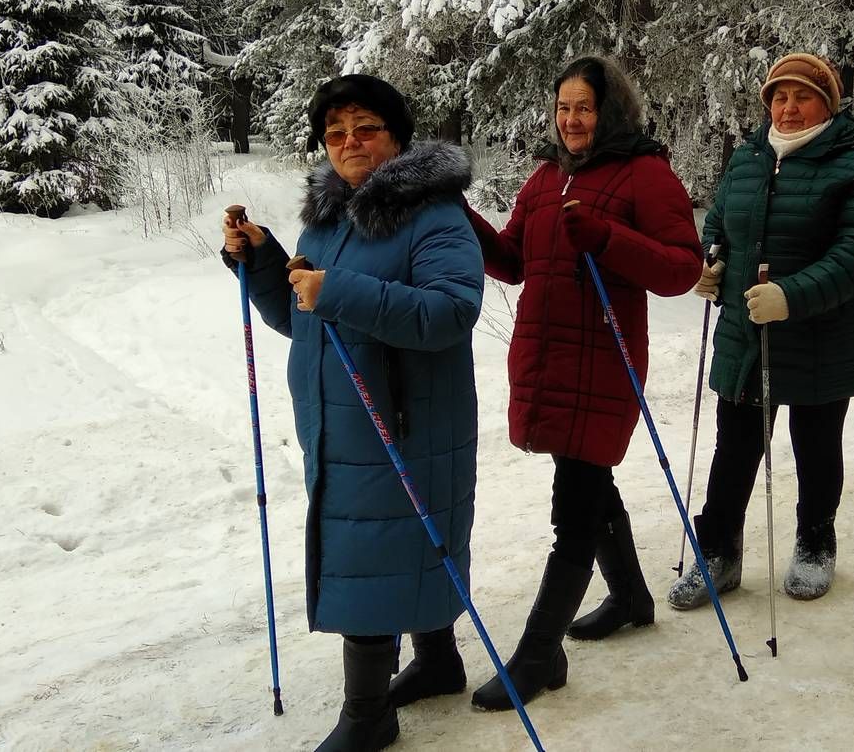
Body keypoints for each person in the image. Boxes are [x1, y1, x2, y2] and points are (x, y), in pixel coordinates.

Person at [220, 75, 482, 752]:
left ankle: (369, 717)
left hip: (405, 421)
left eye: (365, 128)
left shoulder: (435, 214)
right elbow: (304, 318)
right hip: (341, 423)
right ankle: (438, 659)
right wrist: (264, 260)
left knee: (378, 552)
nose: (349, 143)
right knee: (393, 547)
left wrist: (336, 288)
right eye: (336, 133)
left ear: (396, 137)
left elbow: (450, 312)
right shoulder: (328, 218)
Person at [463, 56, 702, 710]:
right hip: (547, 359)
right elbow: (513, 261)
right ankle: (629, 597)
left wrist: (607, 237)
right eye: (563, 107)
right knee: (587, 482)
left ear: (611, 110)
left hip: (605, 361)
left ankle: (539, 657)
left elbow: (682, 268)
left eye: (584, 108)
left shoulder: (645, 174)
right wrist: (462, 218)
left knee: (573, 509)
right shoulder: (545, 179)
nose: (571, 120)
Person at [669, 52, 854, 610]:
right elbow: (720, 221)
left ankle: (816, 542)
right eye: (779, 96)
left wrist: (791, 297)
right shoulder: (748, 159)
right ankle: (718, 553)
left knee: (816, 446)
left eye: (802, 96)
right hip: (747, 333)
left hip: (824, 337)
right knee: (735, 446)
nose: (788, 108)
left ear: (828, 104)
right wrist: (713, 260)